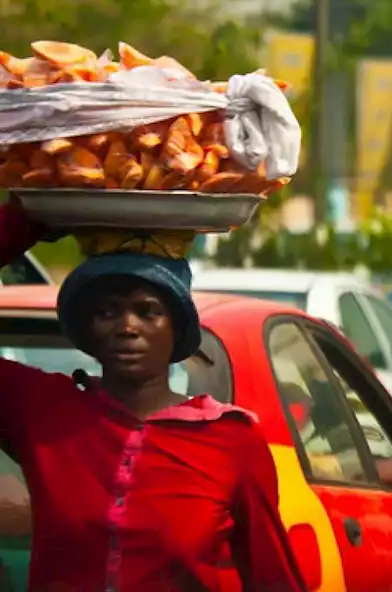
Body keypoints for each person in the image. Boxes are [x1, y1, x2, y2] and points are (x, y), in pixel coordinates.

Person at [0, 250, 307, 590]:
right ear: (89, 330)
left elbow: (272, 579)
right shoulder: (43, 407)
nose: (127, 327)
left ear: (176, 329)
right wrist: (26, 225)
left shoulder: (231, 438)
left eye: (148, 312)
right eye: (107, 312)